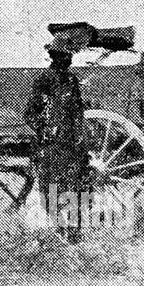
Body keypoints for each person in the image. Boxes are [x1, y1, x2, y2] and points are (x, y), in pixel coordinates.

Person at [24, 46, 88, 242]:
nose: (69, 60)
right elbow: (29, 114)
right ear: (55, 58)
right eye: (65, 56)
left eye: (70, 56)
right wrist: (43, 130)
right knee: (49, 189)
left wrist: (80, 134)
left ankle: (75, 233)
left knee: (76, 188)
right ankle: (60, 229)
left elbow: (78, 110)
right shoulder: (43, 80)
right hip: (50, 146)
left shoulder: (71, 81)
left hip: (71, 143)